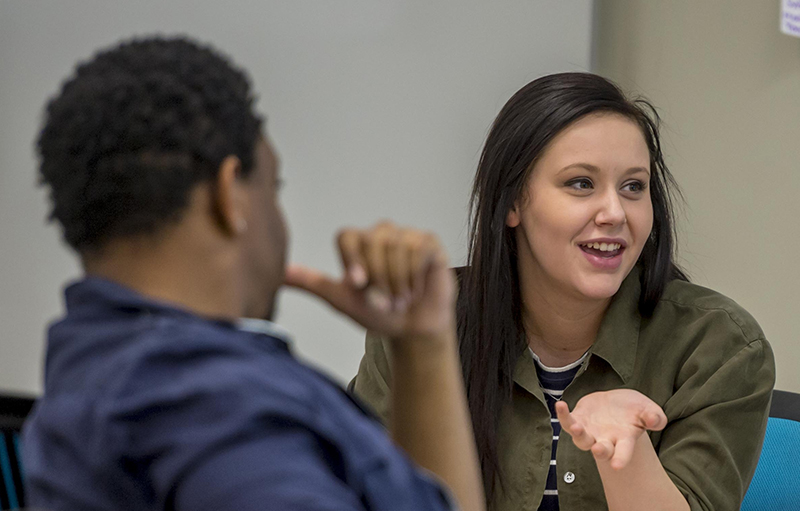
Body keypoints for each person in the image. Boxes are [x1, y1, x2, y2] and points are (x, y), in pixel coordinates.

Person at [22, 36, 485, 511]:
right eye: (273, 186)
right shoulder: (221, 410)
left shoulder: (92, 369)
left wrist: (422, 344)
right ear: (231, 195)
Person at [351, 72, 776, 511]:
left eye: (634, 187)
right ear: (513, 201)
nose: (614, 213)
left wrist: (626, 455)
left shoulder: (719, 345)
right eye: (581, 183)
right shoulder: (422, 325)